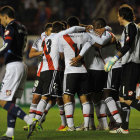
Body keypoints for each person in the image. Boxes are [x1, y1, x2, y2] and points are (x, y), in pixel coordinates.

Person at [104, 6, 140, 134]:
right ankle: (124, 128)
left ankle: (124, 127)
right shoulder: (129, 28)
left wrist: (114, 59)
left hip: (131, 65)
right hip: (127, 65)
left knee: (129, 99)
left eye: (118, 15)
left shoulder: (130, 27)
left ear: (123, 16)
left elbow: (128, 46)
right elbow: (126, 45)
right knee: (122, 98)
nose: (117, 17)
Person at [0, 6, 33, 140]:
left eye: (1, 19)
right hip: (21, 65)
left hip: (13, 66)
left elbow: (7, 45)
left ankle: (29, 120)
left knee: (2, 101)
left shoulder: (11, 27)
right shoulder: (22, 27)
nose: (1, 21)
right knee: (11, 101)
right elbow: (6, 35)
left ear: (6, 17)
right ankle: (9, 133)